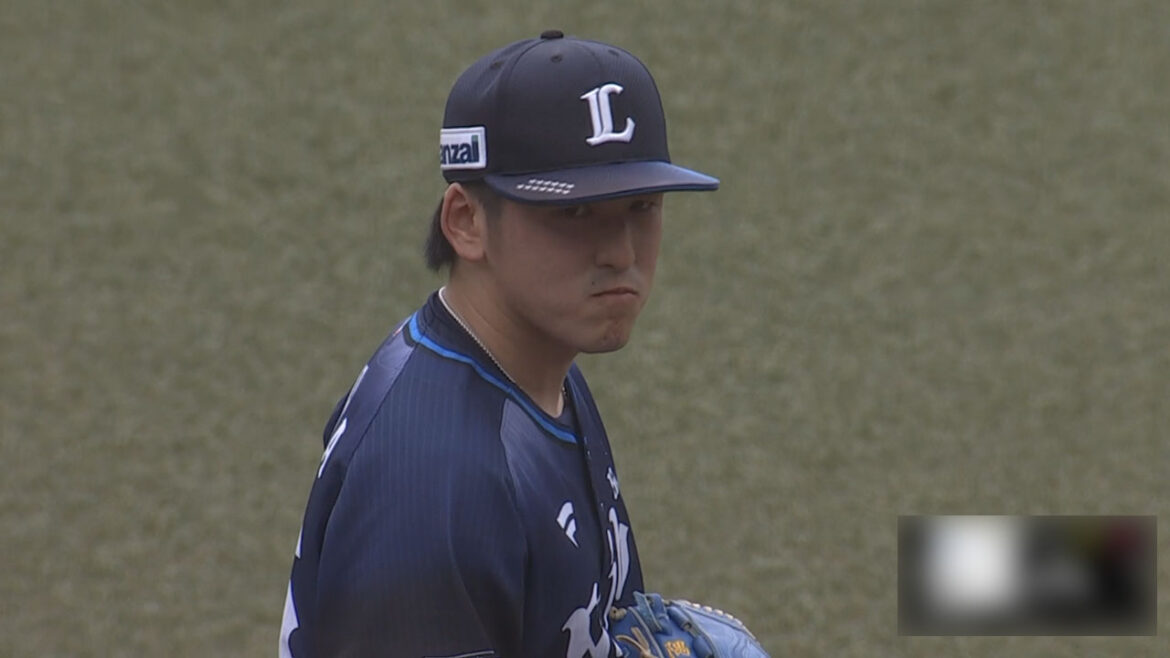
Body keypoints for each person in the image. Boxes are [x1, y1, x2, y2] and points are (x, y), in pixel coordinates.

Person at [279, 30, 718, 658]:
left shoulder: (534, 365)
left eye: (641, 206)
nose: (621, 253)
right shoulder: (436, 490)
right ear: (466, 222)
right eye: (574, 213)